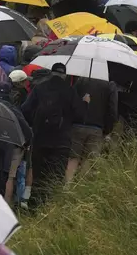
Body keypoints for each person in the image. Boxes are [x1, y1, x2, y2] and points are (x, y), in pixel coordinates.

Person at [21, 63, 88, 204]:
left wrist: (35, 124)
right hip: (61, 141)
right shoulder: (70, 91)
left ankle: (34, 206)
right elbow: (80, 116)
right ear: (64, 75)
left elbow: (25, 109)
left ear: (51, 73)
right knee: (56, 176)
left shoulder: (39, 88)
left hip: (40, 139)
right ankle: (51, 207)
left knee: (39, 175)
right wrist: (85, 104)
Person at [65, 78, 118, 183]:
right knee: (88, 159)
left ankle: (67, 186)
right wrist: (107, 129)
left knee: (73, 158)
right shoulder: (110, 85)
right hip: (97, 128)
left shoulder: (81, 81)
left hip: (77, 125)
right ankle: (80, 188)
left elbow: (71, 101)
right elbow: (113, 110)